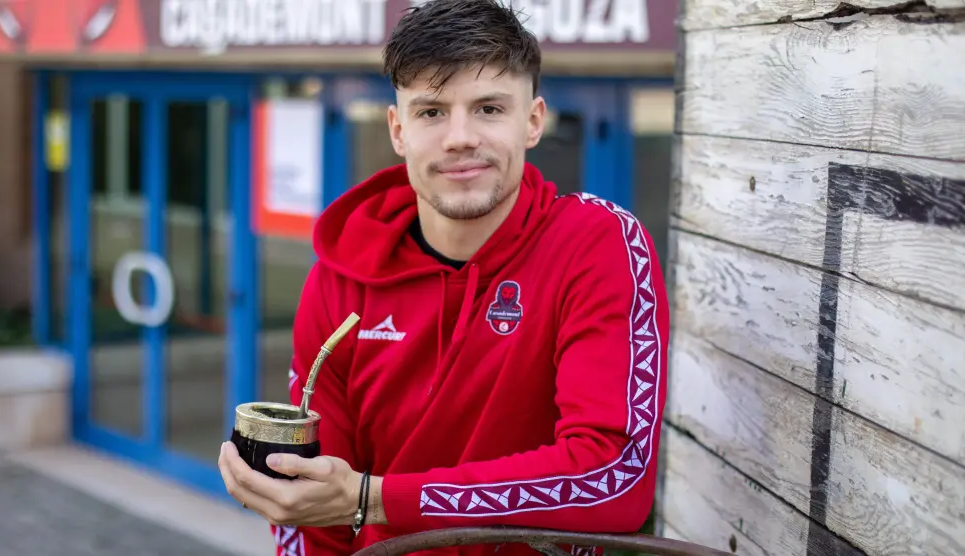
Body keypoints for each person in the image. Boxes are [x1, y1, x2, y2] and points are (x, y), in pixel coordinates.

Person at [217, 0, 670, 554]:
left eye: (488, 108)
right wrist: (292, 493)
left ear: (533, 121)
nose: (460, 137)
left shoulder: (596, 244)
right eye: (431, 112)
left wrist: (375, 499)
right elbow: (316, 515)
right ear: (398, 129)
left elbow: (614, 477)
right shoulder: (339, 280)